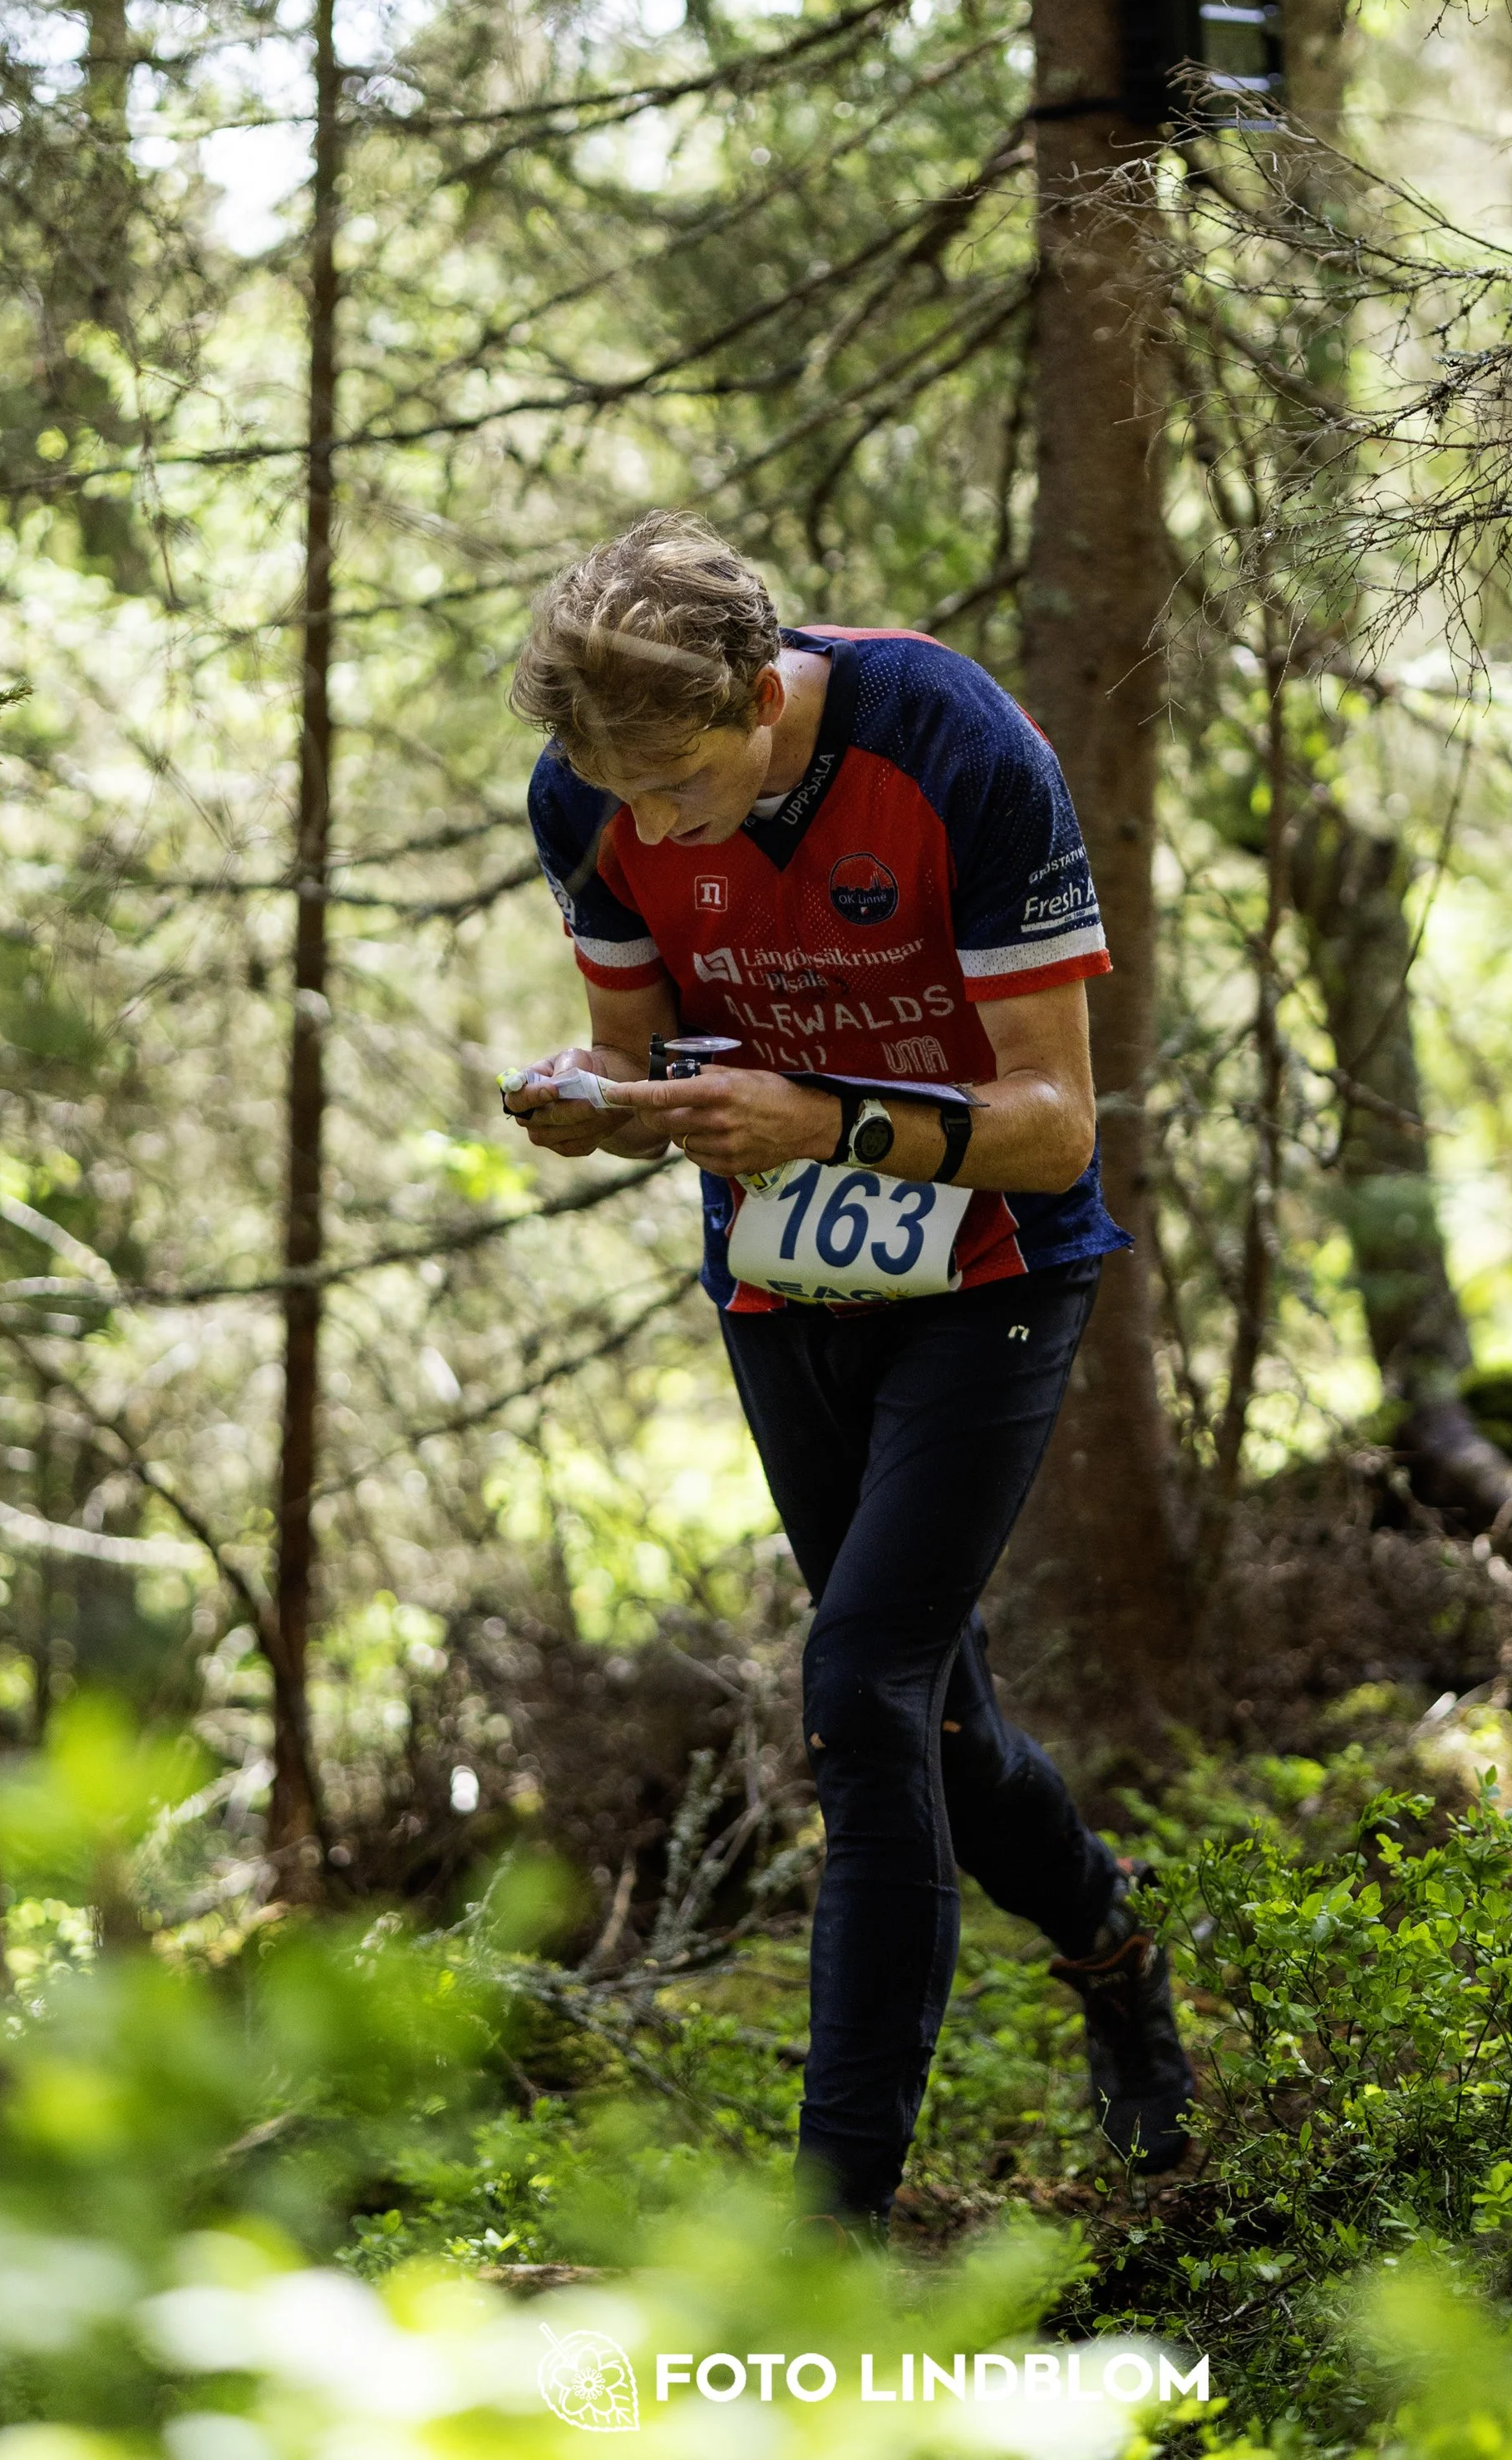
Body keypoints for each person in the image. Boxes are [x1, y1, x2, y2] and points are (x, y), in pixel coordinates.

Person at [501, 512, 1192, 2243]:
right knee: (933, 1720)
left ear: (758, 690)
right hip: (782, 1275)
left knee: (861, 1682)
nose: (651, 827)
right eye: (621, 798)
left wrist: (825, 1117)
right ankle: (1110, 1947)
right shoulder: (587, 796)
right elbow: (636, 1054)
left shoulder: (947, 744)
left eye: (682, 786)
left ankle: (833, 2212)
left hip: (990, 1271)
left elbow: (1053, 1132)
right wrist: (591, 1102)